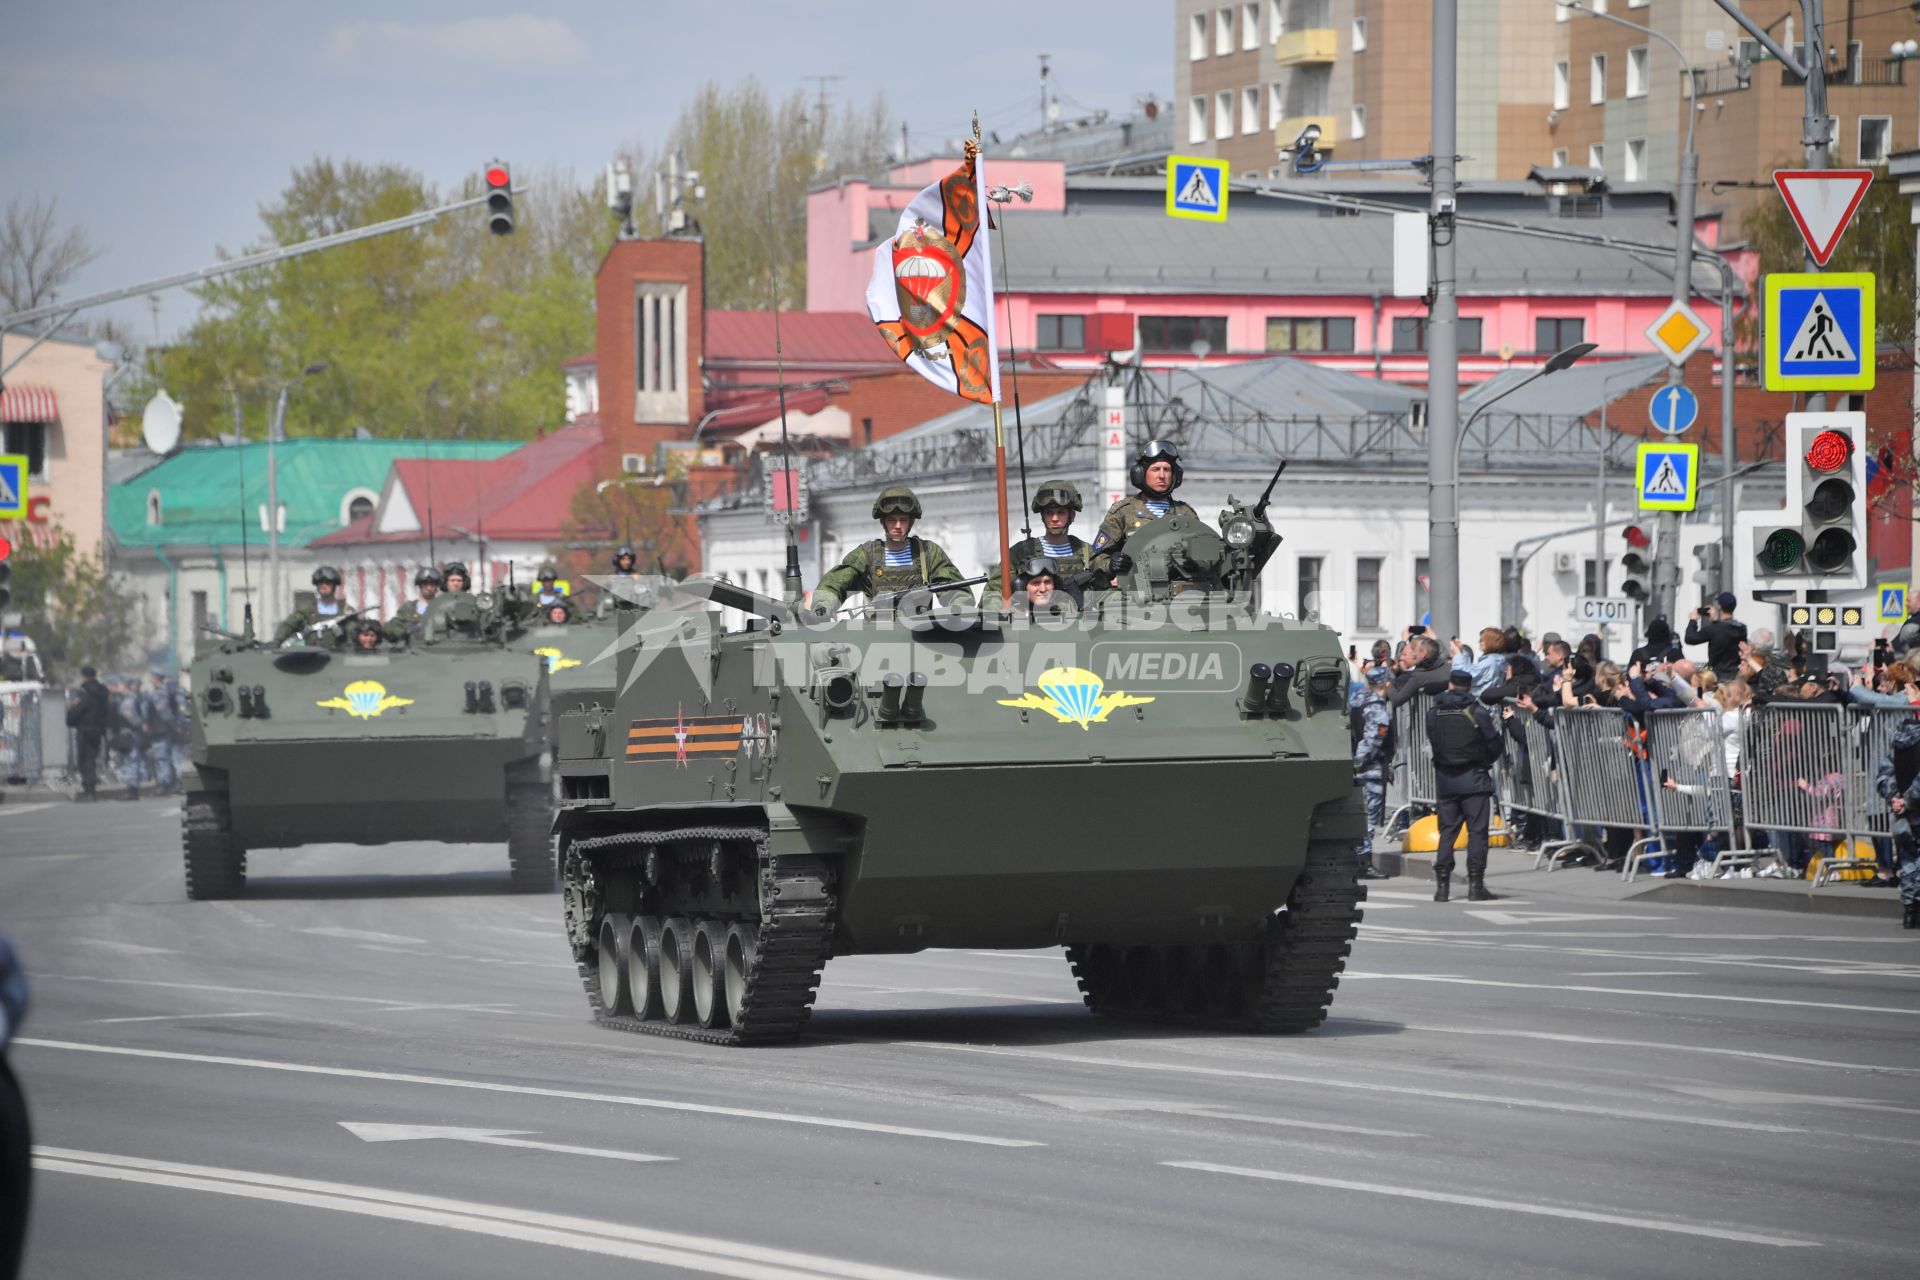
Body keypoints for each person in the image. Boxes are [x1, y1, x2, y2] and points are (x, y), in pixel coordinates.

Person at [811, 486, 971, 613]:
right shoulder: (867, 555)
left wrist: (959, 607)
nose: (897, 526)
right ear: (883, 522)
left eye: (903, 520)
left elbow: (954, 588)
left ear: (911, 522)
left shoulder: (927, 553)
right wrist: (823, 606)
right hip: (877, 640)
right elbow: (835, 583)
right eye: (891, 520)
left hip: (920, 638)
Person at [1426, 668, 1506, 902]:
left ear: (1450, 685)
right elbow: (1494, 743)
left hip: (1446, 781)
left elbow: (1434, 741)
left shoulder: (1433, 713)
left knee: (1447, 832)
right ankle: (1475, 885)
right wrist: (1483, 761)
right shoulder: (1476, 711)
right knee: (1477, 833)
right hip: (1475, 779)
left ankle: (1442, 887)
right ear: (1469, 687)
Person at [1089, 441, 1201, 582]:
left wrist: (1198, 563)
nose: (1162, 475)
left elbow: (1207, 554)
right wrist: (1110, 564)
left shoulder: (1185, 513)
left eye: (1167, 470)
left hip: (1183, 595)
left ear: (1175, 475)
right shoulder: (1123, 512)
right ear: (1141, 473)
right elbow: (1095, 557)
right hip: (1136, 594)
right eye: (1155, 469)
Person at [1350, 665, 1396, 880]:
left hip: (1358, 770)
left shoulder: (1357, 700)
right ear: (1386, 683)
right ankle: (1363, 863)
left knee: (1359, 816)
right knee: (1367, 818)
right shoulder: (1377, 708)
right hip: (1369, 771)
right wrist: (1357, 763)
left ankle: (1358, 859)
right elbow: (1372, 741)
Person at [1006, 481, 1096, 582]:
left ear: (1072, 515)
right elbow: (993, 591)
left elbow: (1104, 591)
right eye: (1049, 513)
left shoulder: (1086, 552)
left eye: (1061, 512)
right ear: (1042, 516)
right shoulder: (1022, 552)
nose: (1054, 518)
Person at [64, 666, 111, 802]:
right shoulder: (102, 693)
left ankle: (89, 792)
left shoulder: (86, 693)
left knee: (85, 761)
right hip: (97, 731)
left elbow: (76, 712)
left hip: (85, 730)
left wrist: (71, 712)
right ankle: (91, 790)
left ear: (84, 676)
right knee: (92, 759)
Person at [275, 565, 351, 644]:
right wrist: (277, 642)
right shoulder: (307, 610)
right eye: (320, 583)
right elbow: (288, 626)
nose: (324, 586)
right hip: (314, 654)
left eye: (328, 583)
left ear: (334, 586)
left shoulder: (346, 611)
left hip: (341, 654)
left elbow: (357, 635)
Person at [1685, 593, 1747, 682]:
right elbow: (1725, 631)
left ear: (1719, 606)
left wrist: (1693, 621)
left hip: (1717, 676)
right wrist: (1715, 621)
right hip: (1736, 675)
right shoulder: (1742, 628)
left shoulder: (1713, 629)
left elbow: (1690, 638)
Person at [142, 669, 186, 794]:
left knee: (165, 758)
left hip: (164, 731)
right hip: (169, 730)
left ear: (154, 678)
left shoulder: (160, 693)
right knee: (172, 757)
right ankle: (175, 783)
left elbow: (165, 714)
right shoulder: (170, 691)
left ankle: (168, 784)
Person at [108, 675, 147, 800]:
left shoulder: (128, 701)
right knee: (129, 762)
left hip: (129, 735)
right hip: (129, 734)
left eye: (119, 685)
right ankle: (132, 787)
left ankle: (132, 789)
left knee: (130, 762)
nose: (116, 687)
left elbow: (134, 720)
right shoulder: (124, 699)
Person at [385, 567, 443, 643]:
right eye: (425, 584)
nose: (429, 588)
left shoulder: (442, 606)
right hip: (414, 650)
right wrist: (405, 631)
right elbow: (393, 626)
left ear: (436, 587)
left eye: (432, 584)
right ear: (420, 586)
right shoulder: (409, 608)